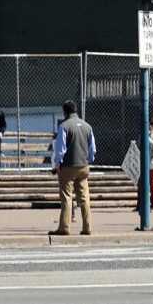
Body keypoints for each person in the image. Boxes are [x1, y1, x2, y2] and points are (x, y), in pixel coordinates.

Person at [51, 100, 95, 236]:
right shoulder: (87, 126)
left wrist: (57, 164)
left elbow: (60, 149)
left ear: (65, 111)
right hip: (83, 166)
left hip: (68, 167)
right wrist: (89, 160)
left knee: (66, 197)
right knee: (84, 197)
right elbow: (92, 148)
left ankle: (64, 227)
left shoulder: (64, 126)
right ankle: (87, 227)